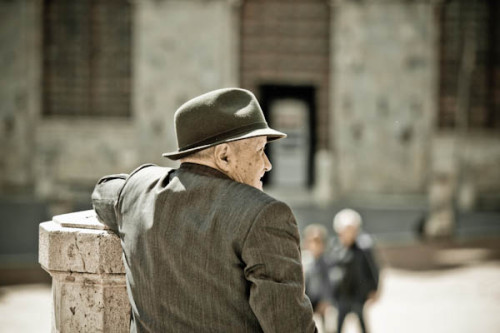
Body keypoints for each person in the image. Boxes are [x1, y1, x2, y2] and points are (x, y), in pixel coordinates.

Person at [91, 88, 317, 332]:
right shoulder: (264, 215)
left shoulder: (137, 192)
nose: (267, 164)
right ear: (224, 156)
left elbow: (103, 191)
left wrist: (158, 179)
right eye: (260, 150)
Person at [330, 209, 380, 333]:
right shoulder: (336, 247)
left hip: (358, 293)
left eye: (352, 229)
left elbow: (373, 269)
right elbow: (330, 269)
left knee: (362, 322)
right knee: (339, 323)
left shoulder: (364, 248)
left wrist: (375, 289)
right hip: (342, 294)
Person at [303, 224, 337, 333]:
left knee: (327, 326)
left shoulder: (327, 261)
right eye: (311, 241)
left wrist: (326, 300)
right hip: (308, 298)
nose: (314, 245)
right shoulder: (305, 260)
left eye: (317, 241)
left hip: (323, 301)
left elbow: (329, 282)